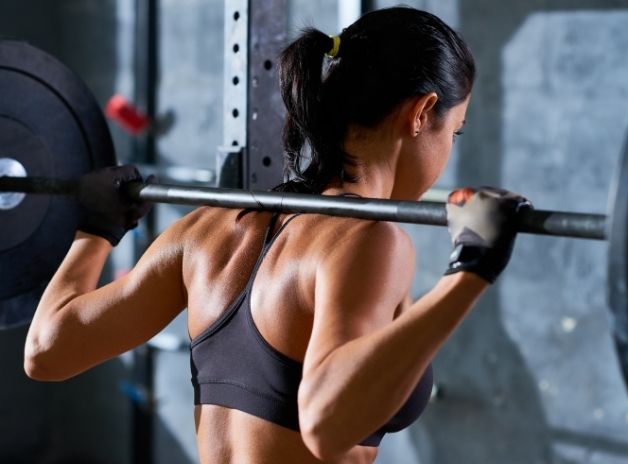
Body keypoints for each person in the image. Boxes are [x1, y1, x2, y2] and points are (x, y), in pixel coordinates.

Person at [23, 6, 529, 464]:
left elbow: (47, 350)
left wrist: (96, 228)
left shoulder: (205, 229)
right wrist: (471, 268)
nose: (448, 151)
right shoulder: (369, 239)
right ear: (421, 113)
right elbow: (326, 426)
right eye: (453, 131)